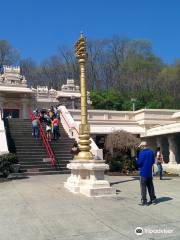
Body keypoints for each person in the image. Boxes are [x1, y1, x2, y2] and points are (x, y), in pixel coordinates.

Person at [136, 141, 156, 206]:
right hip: (149, 172)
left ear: (142, 146)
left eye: (141, 146)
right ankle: (153, 199)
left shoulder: (142, 153)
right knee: (150, 186)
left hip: (143, 172)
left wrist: (137, 160)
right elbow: (153, 161)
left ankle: (144, 201)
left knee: (143, 187)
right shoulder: (151, 152)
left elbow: (139, 163)